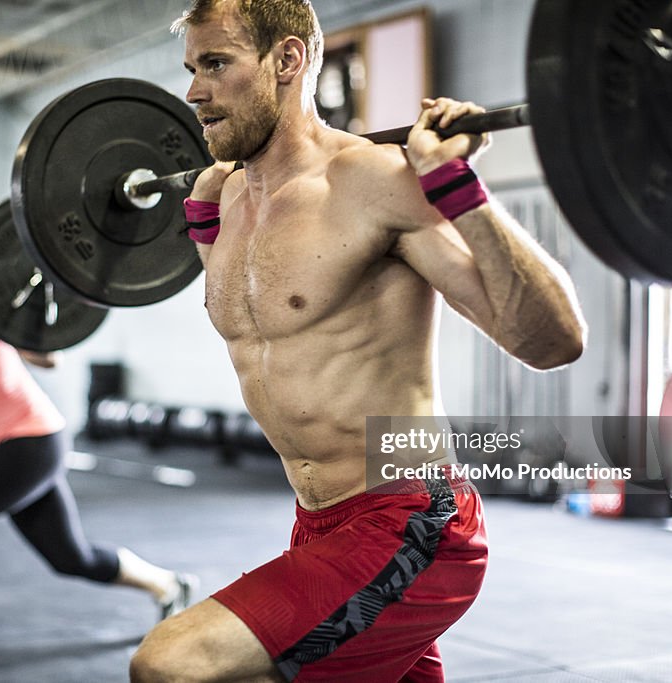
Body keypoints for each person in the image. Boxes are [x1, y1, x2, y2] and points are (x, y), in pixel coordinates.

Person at [130, 1, 586, 682]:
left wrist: (455, 185)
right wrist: (202, 212)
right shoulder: (218, 201)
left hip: (411, 521)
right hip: (316, 522)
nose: (194, 91)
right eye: (192, 68)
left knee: (172, 664)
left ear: (286, 61)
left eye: (217, 64)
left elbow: (554, 341)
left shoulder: (373, 183)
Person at [0, 203, 194, 678]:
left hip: (29, 442)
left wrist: (34, 325)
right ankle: (170, 585)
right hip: (9, 445)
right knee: (70, 558)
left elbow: (47, 357)